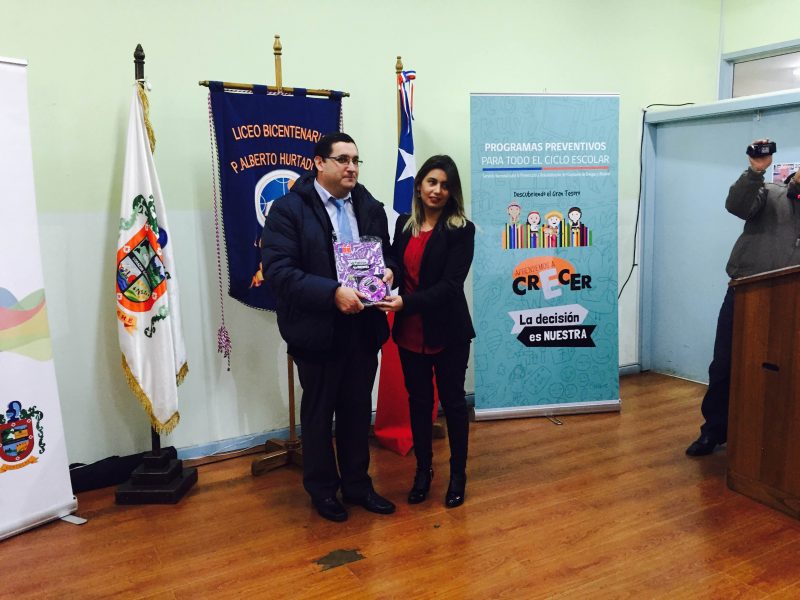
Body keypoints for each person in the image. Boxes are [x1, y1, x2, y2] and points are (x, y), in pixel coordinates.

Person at [261, 132, 398, 522]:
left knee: (357, 411)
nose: (351, 167)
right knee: (319, 415)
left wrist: (390, 271)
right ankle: (322, 491)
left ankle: (358, 485)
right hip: (317, 330)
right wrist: (332, 293)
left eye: (355, 160)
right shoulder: (288, 210)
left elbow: (389, 255)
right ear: (319, 163)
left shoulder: (369, 205)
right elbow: (279, 272)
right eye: (342, 159)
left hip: (363, 328)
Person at [686, 139, 800, 456]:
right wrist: (755, 171)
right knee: (725, 365)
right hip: (746, 295)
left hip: (791, 305)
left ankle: (772, 438)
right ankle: (714, 430)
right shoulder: (771, 193)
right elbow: (737, 205)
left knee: (782, 371)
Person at [377, 155, 475, 508]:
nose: (437, 190)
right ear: (419, 185)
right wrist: (389, 274)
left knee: (453, 404)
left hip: (448, 332)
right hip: (410, 333)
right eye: (432, 182)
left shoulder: (462, 229)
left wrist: (406, 303)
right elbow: (396, 264)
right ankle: (423, 471)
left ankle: (458, 474)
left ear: (452, 191)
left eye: (445, 185)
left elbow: (450, 287)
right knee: (418, 404)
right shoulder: (405, 224)